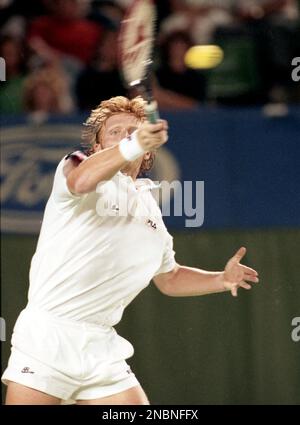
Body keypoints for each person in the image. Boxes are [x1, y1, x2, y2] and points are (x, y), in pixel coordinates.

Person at [2, 96, 259, 405]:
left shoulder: (151, 211)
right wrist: (134, 142)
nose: (125, 135)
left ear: (149, 152)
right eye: (115, 131)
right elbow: (82, 181)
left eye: (132, 130)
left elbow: (170, 277)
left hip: (101, 349)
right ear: (97, 147)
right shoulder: (76, 164)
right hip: (46, 339)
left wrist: (221, 279)